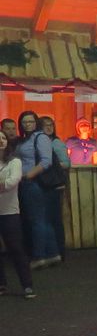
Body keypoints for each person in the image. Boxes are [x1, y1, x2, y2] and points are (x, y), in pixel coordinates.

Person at [15, 111, 61, 268]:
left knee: (37, 220)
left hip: (34, 183)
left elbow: (46, 161)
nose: (27, 124)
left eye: (31, 121)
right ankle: (52, 253)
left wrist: (28, 175)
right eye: (24, 122)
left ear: (36, 123)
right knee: (43, 219)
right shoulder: (26, 139)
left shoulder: (40, 137)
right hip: (31, 183)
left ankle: (39, 256)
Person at [0, 127, 36, 299]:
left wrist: (4, 184)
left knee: (16, 248)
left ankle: (27, 285)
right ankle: (1, 284)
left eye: (3, 138)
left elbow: (12, 182)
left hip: (9, 212)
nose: (1, 141)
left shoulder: (15, 162)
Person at [39, 116, 70, 262]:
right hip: (46, 183)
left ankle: (59, 249)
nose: (49, 127)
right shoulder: (42, 142)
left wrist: (47, 165)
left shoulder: (56, 143)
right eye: (45, 125)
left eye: (51, 125)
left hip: (54, 184)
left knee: (54, 218)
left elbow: (66, 163)